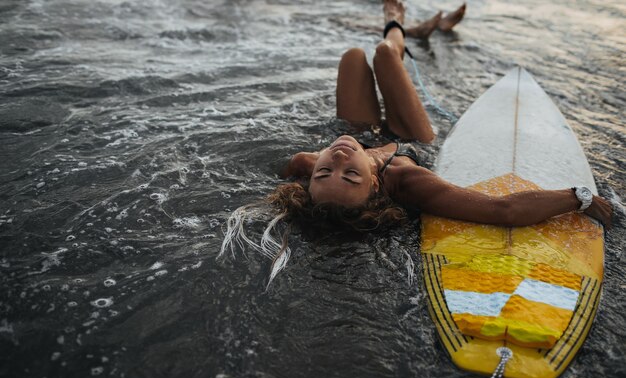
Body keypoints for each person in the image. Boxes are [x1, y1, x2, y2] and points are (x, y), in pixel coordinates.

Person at [220, 0, 612, 284]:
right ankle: (397, 21)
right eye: (349, 176)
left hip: (364, 131)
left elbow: (305, 175)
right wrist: (577, 197)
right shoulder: (407, 181)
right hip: (408, 138)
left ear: (310, 177)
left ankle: (416, 32)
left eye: (326, 170)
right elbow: (503, 210)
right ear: (374, 183)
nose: (337, 157)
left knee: (353, 57)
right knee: (384, 57)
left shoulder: (304, 163)